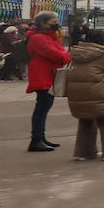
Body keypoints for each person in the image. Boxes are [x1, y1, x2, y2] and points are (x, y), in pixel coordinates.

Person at [65, 30, 104, 161]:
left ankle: (84, 152)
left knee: (86, 121)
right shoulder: (103, 55)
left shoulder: (76, 52)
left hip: (79, 94)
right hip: (100, 93)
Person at [26, 11, 70, 150]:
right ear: (42, 23)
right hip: (42, 76)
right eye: (53, 22)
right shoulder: (38, 38)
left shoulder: (47, 36)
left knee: (44, 108)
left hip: (47, 75)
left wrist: (64, 55)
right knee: (42, 108)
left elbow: (60, 52)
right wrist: (65, 56)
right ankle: (36, 140)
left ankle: (40, 138)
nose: (56, 24)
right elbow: (58, 55)